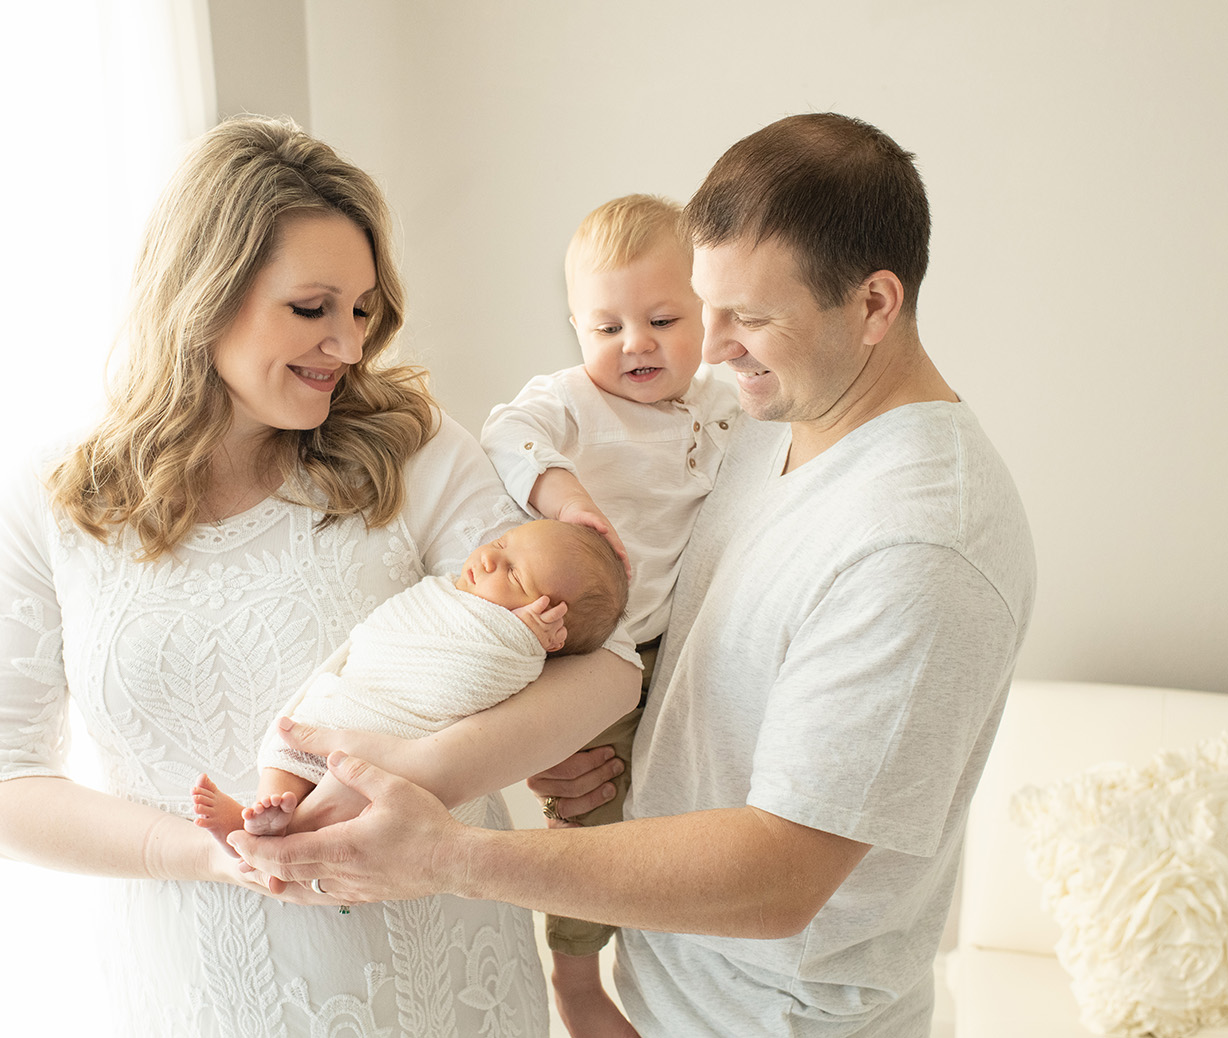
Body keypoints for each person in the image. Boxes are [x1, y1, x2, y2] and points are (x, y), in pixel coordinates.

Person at [225, 112, 1039, 1038]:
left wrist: (453, 857)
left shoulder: (921, 541)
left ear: (876, 304)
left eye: (752, 318)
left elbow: (782, 875)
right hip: (665, 998)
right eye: (708, 306)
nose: (717, 349)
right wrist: (590, 746)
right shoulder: (755, 430)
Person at [0, 115, 640, 1038]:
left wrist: (420, 775)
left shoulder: (413, 453)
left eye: (361, 311)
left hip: (437, 980)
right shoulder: (54, 504)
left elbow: (607, 664)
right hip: (195, 989)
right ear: (205, 296)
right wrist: (203, 853)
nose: (348, 348)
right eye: (312, 309)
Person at [479, 193, 739, 1034]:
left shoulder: (723, 404)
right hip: (598, 648)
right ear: (575, 328)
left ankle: (679, 976)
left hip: (683, 650)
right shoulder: (572, 403)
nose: (635, 344)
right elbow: (506, 430)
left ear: (706, 311)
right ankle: (578, 981)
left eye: (663, 319)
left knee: (681, 818)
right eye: (606, 328)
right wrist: (566, 493)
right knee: (592, 819)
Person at [193, 518, 628, 840]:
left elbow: (474, 675)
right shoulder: (443, 594)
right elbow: (384, 635)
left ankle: (278, 830)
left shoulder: (512, 647)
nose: (491, 558)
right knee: (291, 744)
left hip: (391, 725)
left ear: (551, 626)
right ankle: (269, 806)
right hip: (355, 695)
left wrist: (521, 640)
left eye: (514, 575)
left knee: (336, 771)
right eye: (501, 542)